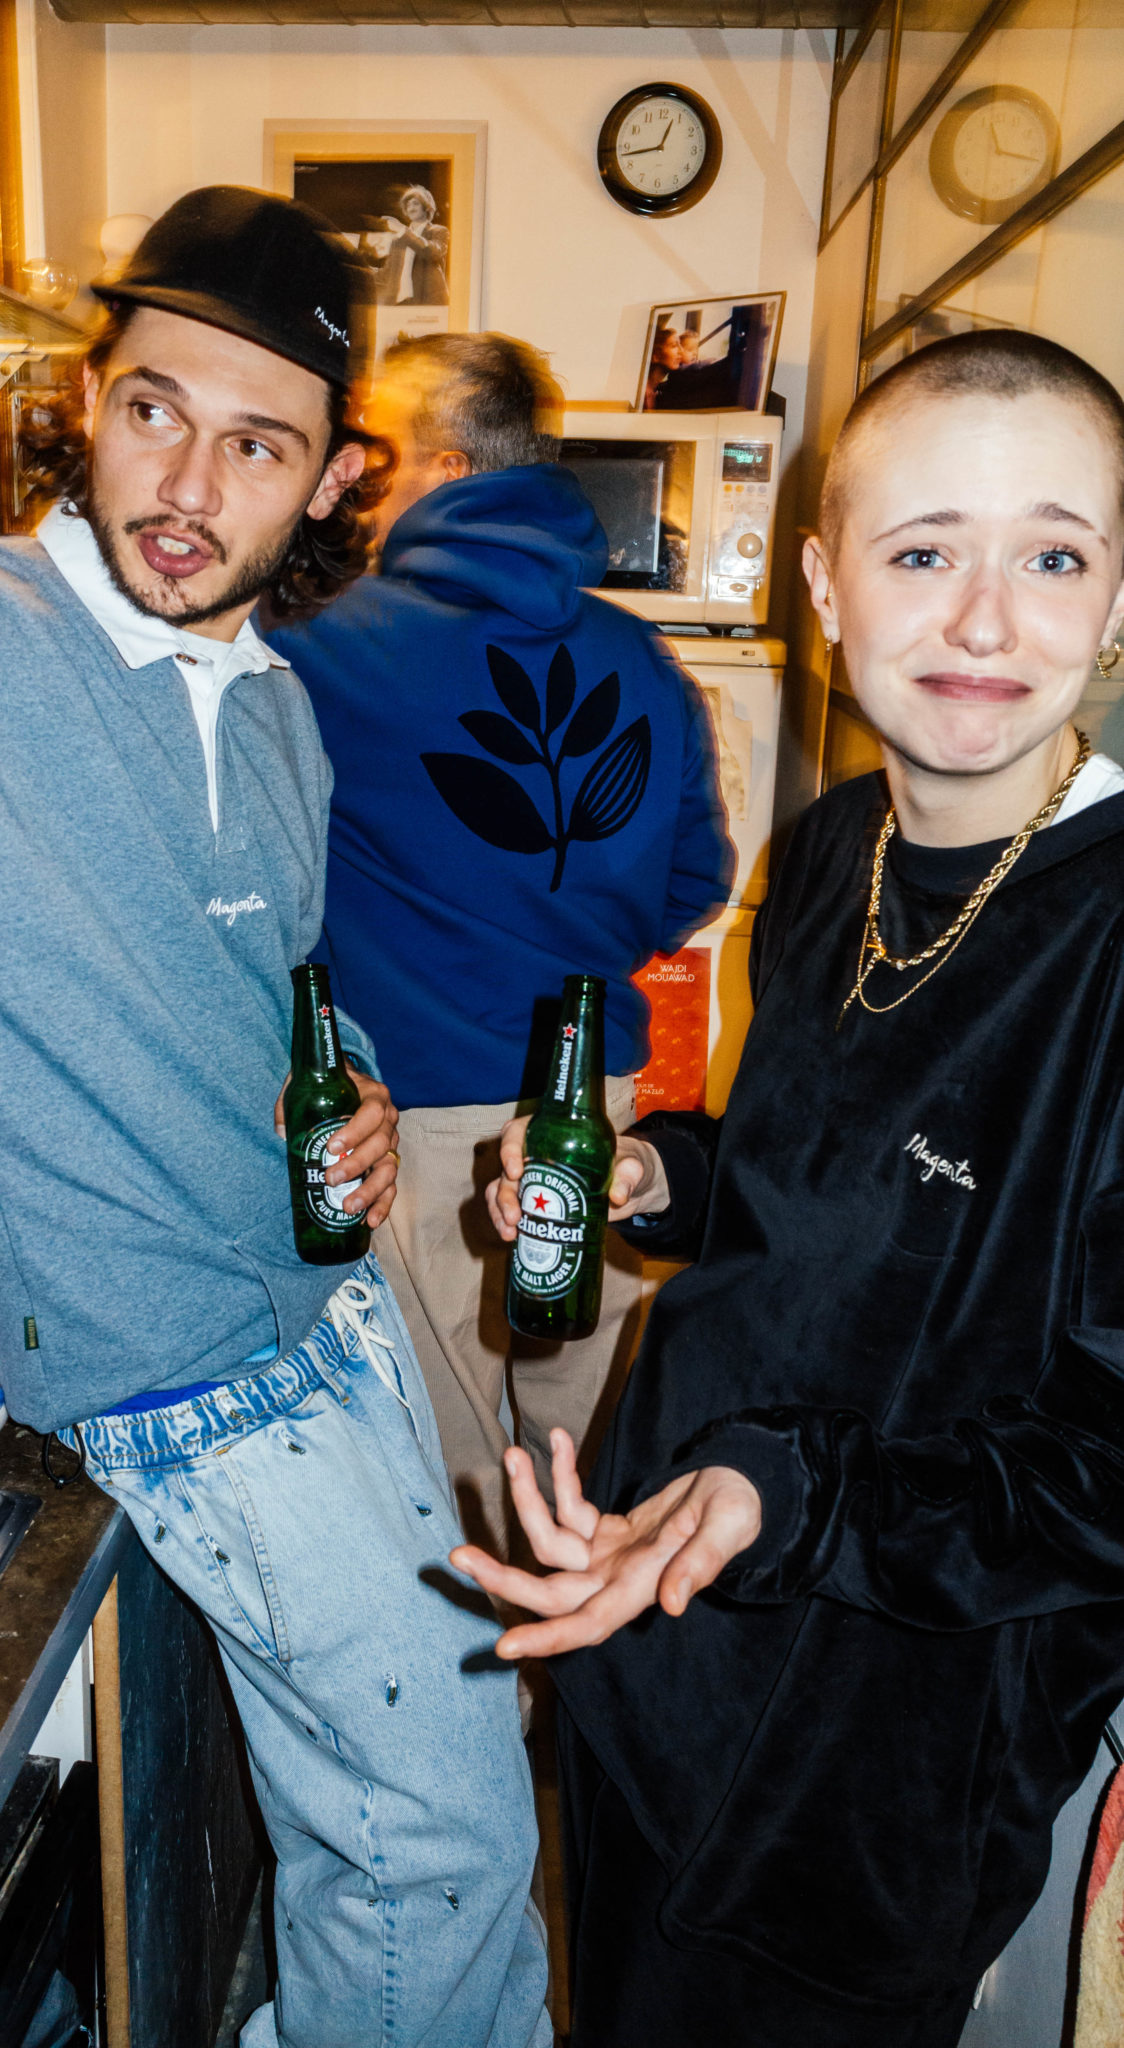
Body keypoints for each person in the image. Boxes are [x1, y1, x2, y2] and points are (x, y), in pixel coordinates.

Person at [0, 187, 550, 2048]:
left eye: (257, 443)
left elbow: (275, 975)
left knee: (434, 1815)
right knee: (440, 1843)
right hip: (190, 1389)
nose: (189, 486)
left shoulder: (274, 705)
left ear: (331, 478)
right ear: (88, 398)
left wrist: (355, 1088)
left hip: (338, 1319)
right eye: (153, 411)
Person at [455, 328, 1124, 2047]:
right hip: (653, 1619)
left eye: (1053, 557)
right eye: (924, 553)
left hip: (873, 1765)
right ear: (824, 584)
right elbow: (793, 1176)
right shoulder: (830, 850)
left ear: (1119, 593)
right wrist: (648, 1176)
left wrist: (791, 1493)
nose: (987, 623)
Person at [267, 331, 730, 1555]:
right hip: (599, 1124)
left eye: (378, 452)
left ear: (449, 467)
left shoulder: (316, 647)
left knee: (455, 1481)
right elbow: (696, 881)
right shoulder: (647, 660)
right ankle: (583, 1670)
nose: (354, 477)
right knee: (590, 1466)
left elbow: (248, 879)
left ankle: (485, 1685)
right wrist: (563, 927)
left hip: (416, 1136)